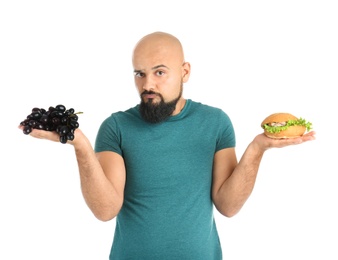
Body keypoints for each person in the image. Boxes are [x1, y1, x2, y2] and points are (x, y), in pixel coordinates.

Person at [19, 31, 316, 259]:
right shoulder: (116, 127)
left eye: (160, 72)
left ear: (185, 72)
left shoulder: (216, 122)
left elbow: (228, 206)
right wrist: (81, 146)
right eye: (140, 73)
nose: (148, 84)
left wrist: (257, 149)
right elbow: (106, 209)